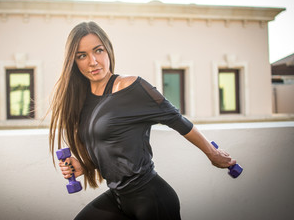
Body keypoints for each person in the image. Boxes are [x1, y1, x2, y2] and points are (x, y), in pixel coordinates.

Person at [49, 21, 236, 220]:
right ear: (74, 62)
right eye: (82, 55)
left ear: (108, 50)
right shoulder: (84, 100)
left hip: (151, 198)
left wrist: (213, 153)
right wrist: (85, 165)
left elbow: (176, 119)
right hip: (118, 197)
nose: (93, 61)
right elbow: (113, 146)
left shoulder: (131, 86)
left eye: (98, 50)